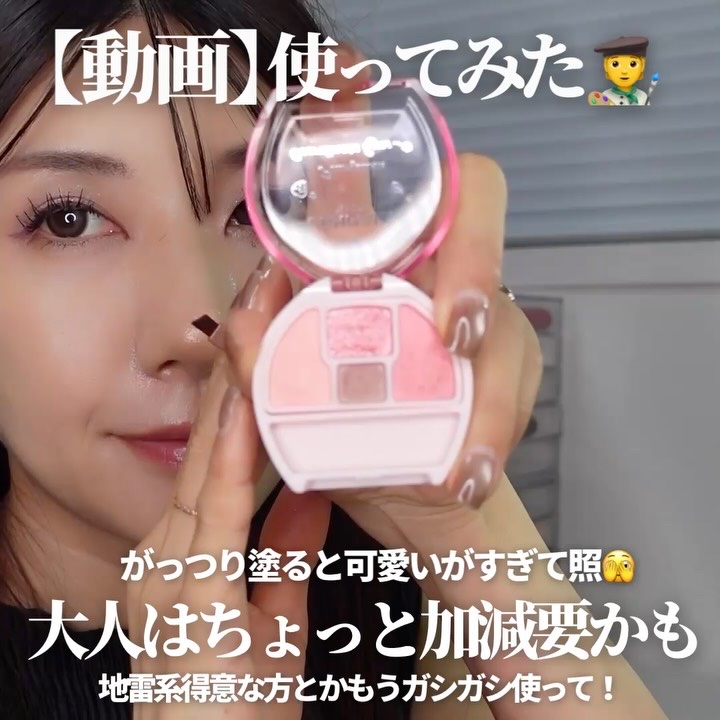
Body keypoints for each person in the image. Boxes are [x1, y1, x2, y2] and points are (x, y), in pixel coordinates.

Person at [0, 1, 670, 719]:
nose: (198, 332)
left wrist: (470, 536)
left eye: (254, 211)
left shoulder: (392, 609)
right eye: (69, 220)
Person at [593, 36, 651, 106]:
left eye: (633, 64)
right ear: (606, 67)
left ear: (642, 67)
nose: (624, 71)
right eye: (615, 64)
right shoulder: (605, 96)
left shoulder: (643, 96)